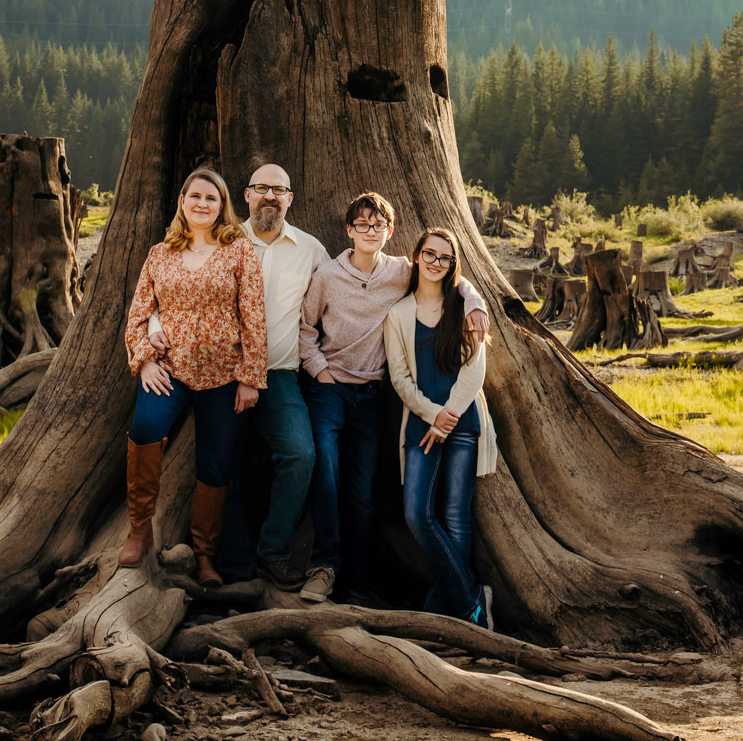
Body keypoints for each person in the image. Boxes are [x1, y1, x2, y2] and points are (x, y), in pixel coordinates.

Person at [297, 192, 487, 604]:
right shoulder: (327, 276)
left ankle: (357, 582)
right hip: (328, 389)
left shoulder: (402, 270)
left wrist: (474, 302)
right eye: (362, 225)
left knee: (364, 489)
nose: (370, 231)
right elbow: (305, 329)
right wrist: (321, 372)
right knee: (325, 471)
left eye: (377, 225)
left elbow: (450, 274)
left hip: (370, 394)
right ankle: (325, 566)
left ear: (390, 231)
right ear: (349, 231)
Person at [149, 161, 327, 590]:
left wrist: (466, 294)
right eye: (261, 188)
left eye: (279, 190)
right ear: (245, 195)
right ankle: (229, 562)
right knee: (222, 462)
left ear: (290, 199)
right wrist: (153, 325)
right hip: (222, 374)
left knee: (300, 456)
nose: (270, 196)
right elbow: (172, 289)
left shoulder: (311, 250)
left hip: (279, 376)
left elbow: (346, 285)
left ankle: (272, 552)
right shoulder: (220, 239)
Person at [121, 166, 266, 589]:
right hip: (171, 370)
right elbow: (138, 314)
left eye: (212, 199)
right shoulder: (158, 254)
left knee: (217, 463)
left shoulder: (238, 251)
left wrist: (250, 376)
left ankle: (205, 554)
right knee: (145, 427)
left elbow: (253, 317)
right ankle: (139, 531)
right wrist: (145, 360)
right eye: (195, 197)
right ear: (182, 203)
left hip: (225, 375)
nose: (202, 204)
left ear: (223, 208)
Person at [385, 227, 497, 625]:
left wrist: (448, 415)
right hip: (420, 426)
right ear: (416, 256)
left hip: (463, 425)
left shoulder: (463, 309)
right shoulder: (397, 315)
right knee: (418, 515)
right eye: (430, 254)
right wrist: (433, 415)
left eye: (445, 258)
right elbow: (399, 378)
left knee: (455, 516)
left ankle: (448, 611)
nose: (436, 263)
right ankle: (470, 601)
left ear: (453, 265)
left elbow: (475, 367)